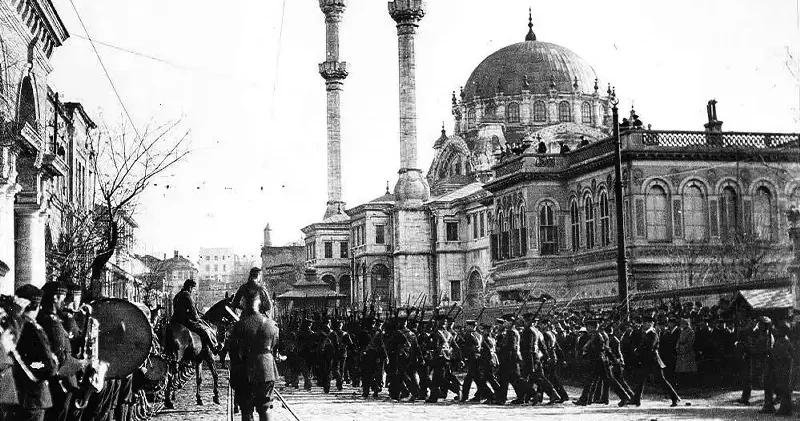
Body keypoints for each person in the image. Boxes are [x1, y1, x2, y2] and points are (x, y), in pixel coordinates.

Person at [229, 288, 280, 421]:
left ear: (245, 304)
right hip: (267, 371)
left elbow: (233, 352)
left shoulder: (239, 325)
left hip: (245, 371)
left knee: (246, 410)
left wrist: (234, 376)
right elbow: (274, 346)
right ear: (259, 304)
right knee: (265, 408)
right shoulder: (271, 325)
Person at [38, 282, 86, 421]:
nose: (64, 302)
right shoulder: (52, 322)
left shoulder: (49, 319)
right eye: (63, 298)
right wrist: (82, 363)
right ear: (55, 298)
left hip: (60, 378)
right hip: (60, 381)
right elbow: (60, 356)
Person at [10, 284, 58, 421]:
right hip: (33, 398)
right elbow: (48, 366)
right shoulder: (33, 329)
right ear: (37, 306)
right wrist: (33, 365)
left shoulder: (12, 325)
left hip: (14, 396)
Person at [631, 315, 681, 407]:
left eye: (646, 323)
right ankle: (636, 399)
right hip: (647, 360)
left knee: (660, 380)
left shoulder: (653, 334)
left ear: (651, 324)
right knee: (641, 379)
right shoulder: (647, 333)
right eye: (644, 323)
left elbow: (649, 347)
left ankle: (675, 397)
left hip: (653, 360)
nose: (644, 324)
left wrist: (638, 350)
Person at [171, 279, 218, 352]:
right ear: (190, 287)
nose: (192, 291)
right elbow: (193, 310)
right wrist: (197, 318)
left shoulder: (177, 295)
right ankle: (213, 347)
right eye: (192, 288)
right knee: (204, 330)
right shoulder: (187, 295)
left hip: (174, 320)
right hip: (185, 321)